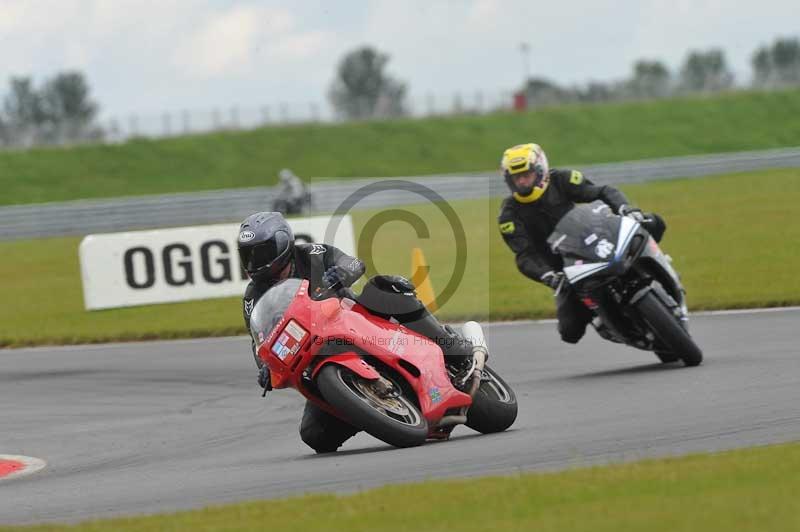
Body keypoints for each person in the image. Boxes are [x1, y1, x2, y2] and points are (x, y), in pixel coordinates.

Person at [237, 211, 473, 453]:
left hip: (352, 318)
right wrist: (264, 367)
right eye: (248, 255)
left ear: (282, 243)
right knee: (313, 435)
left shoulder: (312, 255)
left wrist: (342, 272)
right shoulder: (253, 297)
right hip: (313, 354)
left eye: (261, 253)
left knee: (386, 288)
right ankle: (365, 406)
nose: (254, 261)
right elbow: (259, 342)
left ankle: (450, 347)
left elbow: (352, 263)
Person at [497, 143, 665, 344]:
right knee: (570, 331)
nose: (522, 181)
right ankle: (601, 318)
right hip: (567, 270)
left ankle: (660, 264)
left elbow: (602, 192)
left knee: (653, 222)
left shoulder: (562, 179)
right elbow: (524, 255)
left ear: (540, 170)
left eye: (527, 174)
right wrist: (548, 276)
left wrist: (625, 209)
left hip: (595, 240)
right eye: (517, 178)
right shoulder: (508, 215)